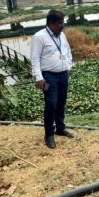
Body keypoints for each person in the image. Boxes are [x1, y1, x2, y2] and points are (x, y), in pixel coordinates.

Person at [30, 10, 74, 149]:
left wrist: (68, 66)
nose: (62, 25)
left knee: (61, 103)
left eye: (63, 22)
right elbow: (35, 58)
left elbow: (67, 51)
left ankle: (60, 129)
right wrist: (39, 77)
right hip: (49, 76)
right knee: (51, 104)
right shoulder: (39, 37)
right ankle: (49, 134)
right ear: (51, 23)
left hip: (63, 74)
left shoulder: (62, 35)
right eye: (60, 23)